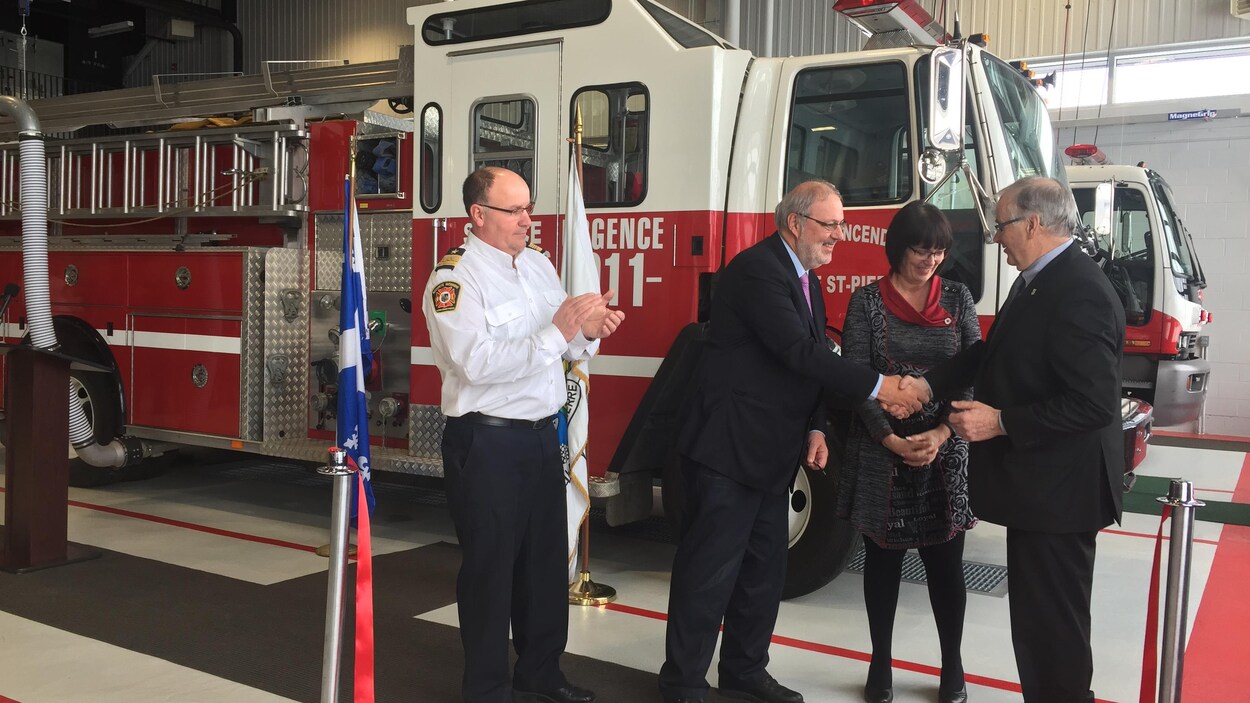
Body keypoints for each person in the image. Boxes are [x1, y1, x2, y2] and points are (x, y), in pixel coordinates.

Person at [658, 180, 931, 703]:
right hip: (727, 452)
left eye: (840, 225)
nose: (838, 236)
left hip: (772, 453)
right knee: (708, 573)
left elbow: (805, 363)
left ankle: (744, 671)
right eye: (830, 225)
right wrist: (883, 385)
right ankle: (683, 684)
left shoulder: (804, 276)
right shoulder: (759, 271)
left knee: (764, 572)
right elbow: (799, 354)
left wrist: (814, 426)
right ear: (795, 223)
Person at [916, 176, 1125, 702]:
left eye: (1002, 225)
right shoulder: (1040, 280)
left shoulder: (1078, 290)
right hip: (1042, 493)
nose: (995, 238)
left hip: (1062, 497)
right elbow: (994, 352)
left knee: (1053, 634)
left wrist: (1000, 421)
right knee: (1037, 630)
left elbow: (1094, 403)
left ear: (1033, 223)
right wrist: (924, 384)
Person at [422, 166, 625, 703]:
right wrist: (558, 331)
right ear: (478, 215)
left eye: (529, 208)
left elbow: (562, 351)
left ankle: (542, 675)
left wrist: (587, 334)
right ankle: (488, 689)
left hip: (540, 437)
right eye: (513, 210)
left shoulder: (537, 266)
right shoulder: (454, 280)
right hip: (486, 443)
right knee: (490, 571)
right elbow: (476, 364)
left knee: (542, 565)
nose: (527, 220)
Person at [837, 202, 979, 703]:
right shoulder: (867, 302)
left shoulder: (958, 299)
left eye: (938, 251)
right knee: (882, 566)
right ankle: (880, 663)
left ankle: (953, 666)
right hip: (883, 453)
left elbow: (974, 372)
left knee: (947, 566)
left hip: (946, 450)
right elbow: (856, 379)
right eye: (921, 250)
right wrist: (891, 439)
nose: (930, 261)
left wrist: (942, 434)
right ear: (898, 247)